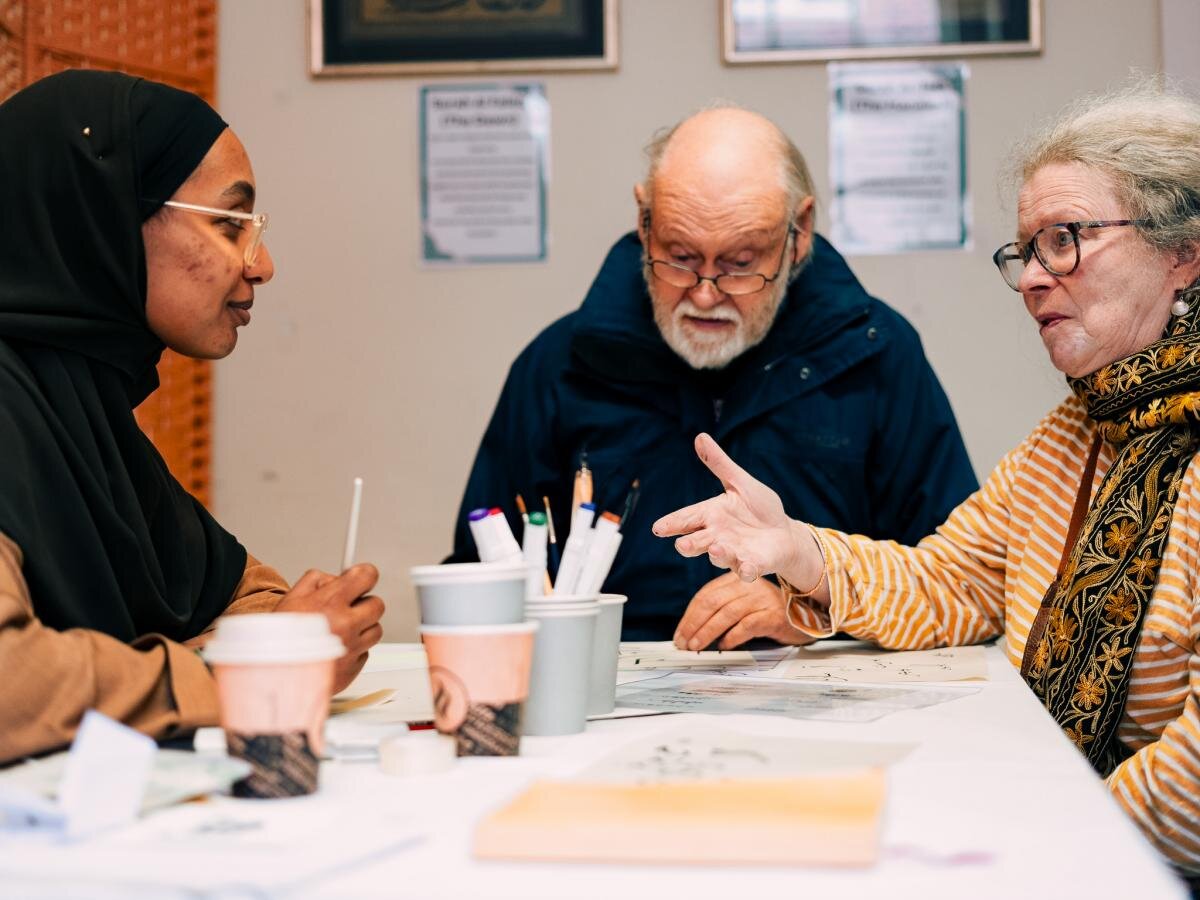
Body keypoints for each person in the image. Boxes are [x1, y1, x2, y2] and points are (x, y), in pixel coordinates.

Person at [656, 81, 1200, 876]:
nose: (1034, 277)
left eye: (1064, 240)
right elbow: (949, 582)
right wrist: (798, 550)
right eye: (1027, 250)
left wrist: (1046, 840)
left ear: (1183, 251)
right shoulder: (1076, 433)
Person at [450, 105, 977, 640]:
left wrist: (814, 606)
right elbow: (478, 569)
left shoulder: (875, 355)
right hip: (613, 672)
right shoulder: (561, 365)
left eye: (740, 263)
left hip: (821, 678)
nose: (704, 294)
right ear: (644, 222)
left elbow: (953, 582)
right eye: (680, 257)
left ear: (799, 233)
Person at [0, 70, 384, 765]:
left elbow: (247, 591)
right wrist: (243, 674)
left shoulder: (84, 407)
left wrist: (274, 641)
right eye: (230, 225)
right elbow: (11, 686)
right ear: (103, 220)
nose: (262, 265)